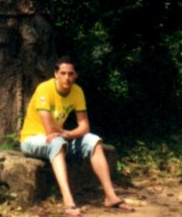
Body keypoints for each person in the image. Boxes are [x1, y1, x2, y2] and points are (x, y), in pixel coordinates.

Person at [20, 56, 134, 215]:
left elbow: (84, 127)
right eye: (63, 73)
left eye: (70, 74)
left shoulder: (77, 91)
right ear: (56, 74)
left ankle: (110, 196)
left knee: (93, 141)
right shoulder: (44, 89)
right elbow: (49, 129)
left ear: (76, 75)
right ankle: (68, 200)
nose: (67, 78)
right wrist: (63, 134)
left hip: (59, 137)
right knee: (57, 142)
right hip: (32, 139)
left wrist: (68, 134)